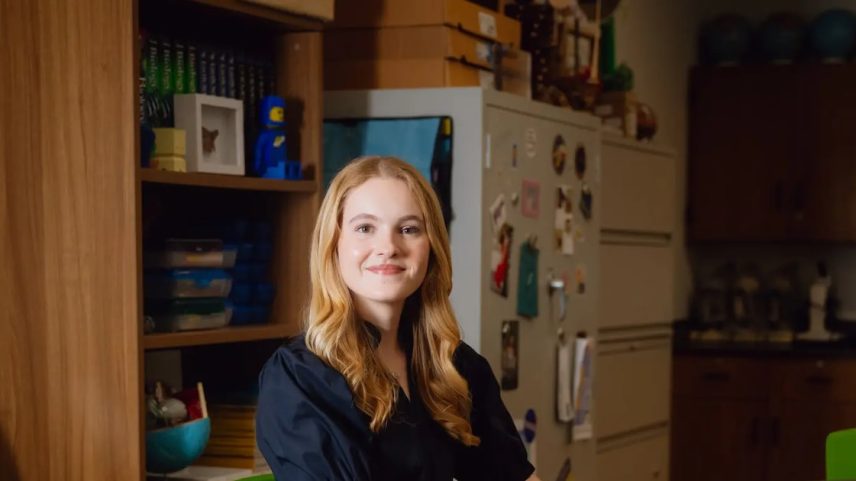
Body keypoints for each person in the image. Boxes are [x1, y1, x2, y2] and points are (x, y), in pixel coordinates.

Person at [256, 156, 540, 481]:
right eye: (365, 228)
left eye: (408, 229)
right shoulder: (300, 377)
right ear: (333, 246)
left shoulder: (457, 368)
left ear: (431, 247)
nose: (388, 247)